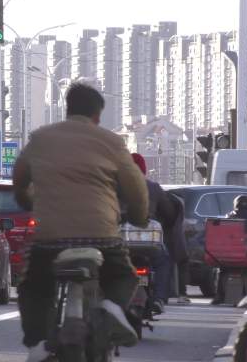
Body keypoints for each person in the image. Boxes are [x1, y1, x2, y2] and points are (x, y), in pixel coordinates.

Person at [13, 81, 148, 361]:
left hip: (48, 240)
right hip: (102, 238)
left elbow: (20, 180)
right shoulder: (112, 142)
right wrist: (139, 216)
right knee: (124, 275)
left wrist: (29, 202)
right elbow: (136, 187)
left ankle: (37, 343)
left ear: (67, 109)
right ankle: (111, 307)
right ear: (97, 116)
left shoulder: (40, 138)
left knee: (33, 287)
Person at [129, 153, 187, 312]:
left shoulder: (115, 185)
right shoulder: (153, 187)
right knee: (163, 261)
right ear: (143, 170)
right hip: (148, 242)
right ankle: (159, 298)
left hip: (122, 242)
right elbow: (168, 213)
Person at [211, 195, 247, 305]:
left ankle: (219, 296)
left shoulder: (228, 217)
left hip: (229, 257)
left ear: (235, 204)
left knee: (221, 270)